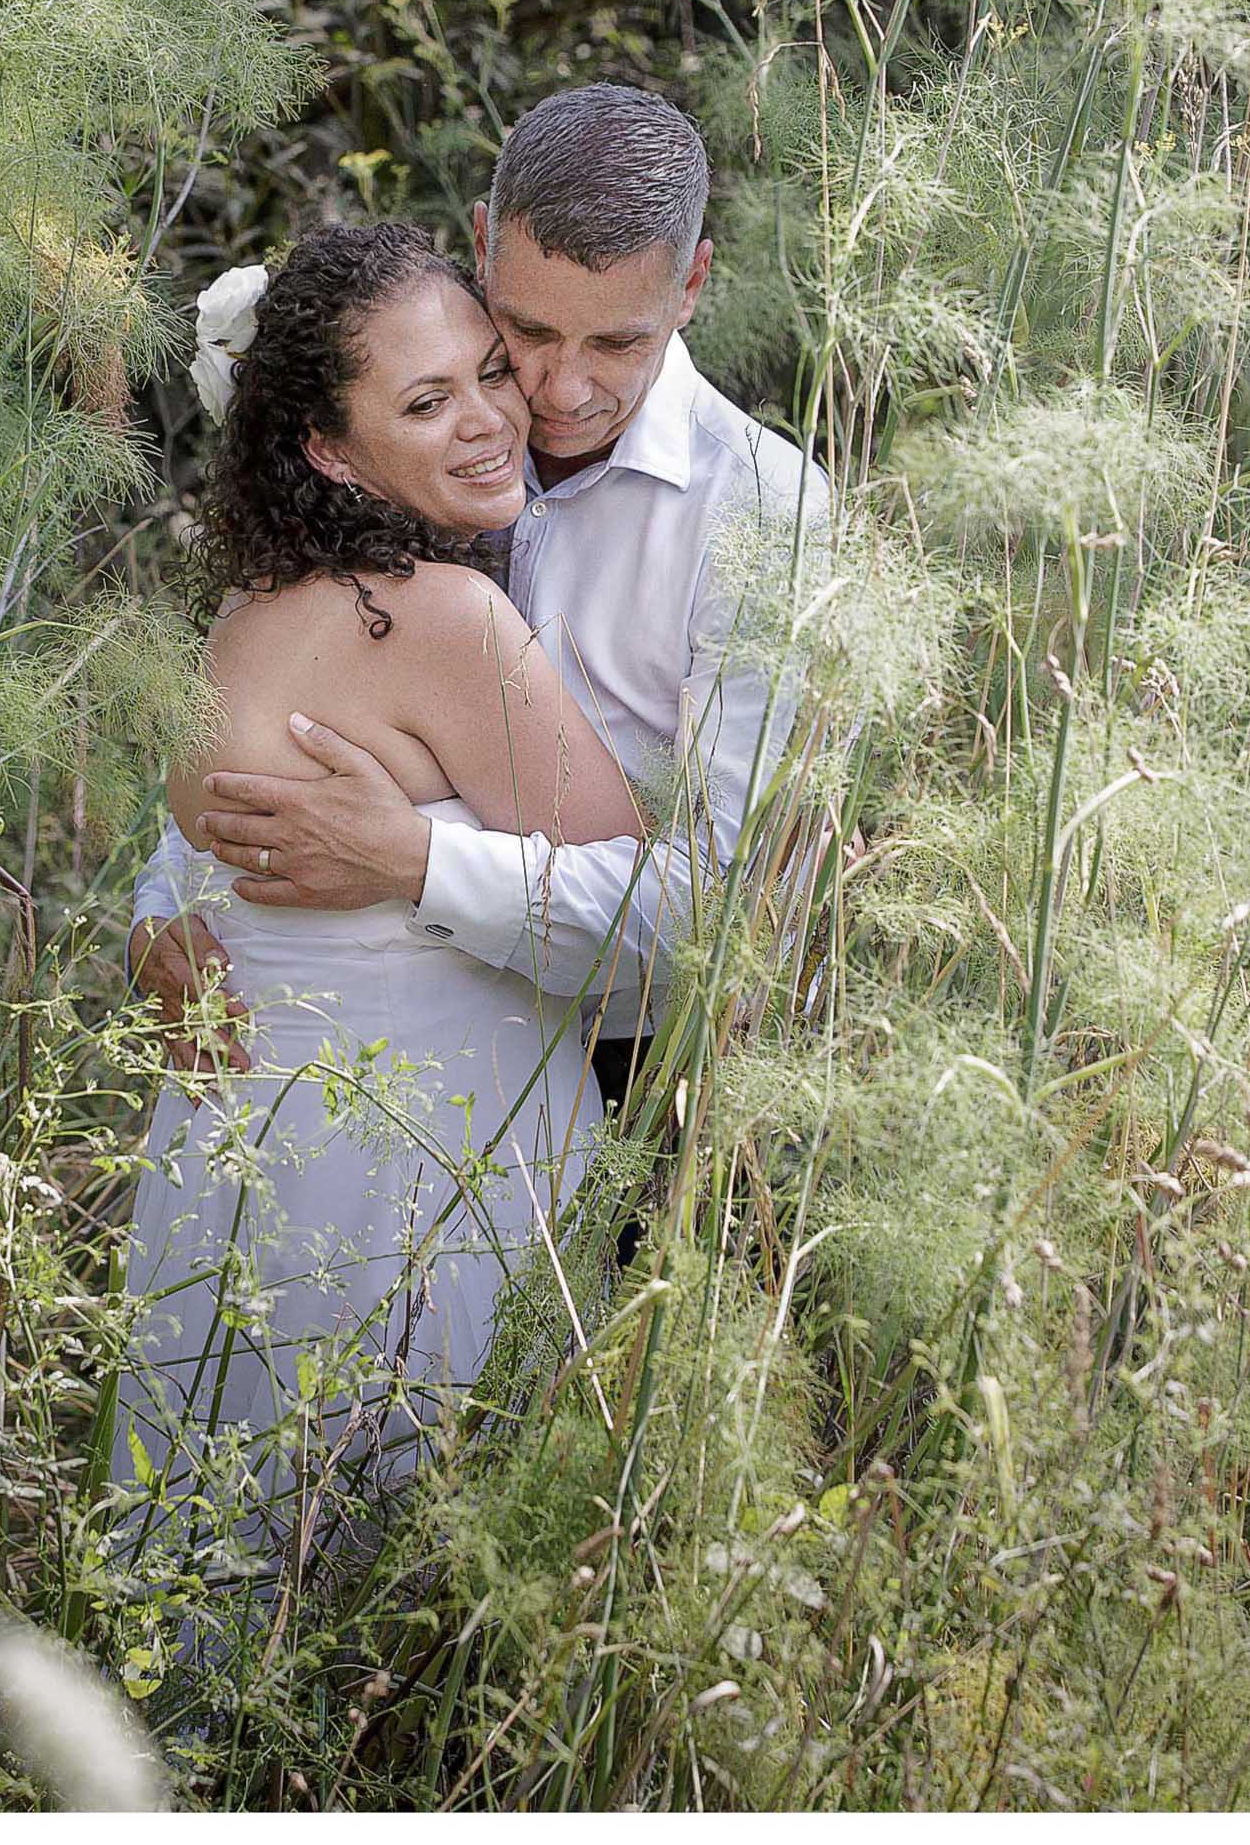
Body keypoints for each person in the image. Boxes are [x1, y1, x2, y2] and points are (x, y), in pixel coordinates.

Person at [130, 84, 830, 1115]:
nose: (556, 389)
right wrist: (169, 904)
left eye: (616, 344)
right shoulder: (414, 431)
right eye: (527, 333)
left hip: (653, 1066)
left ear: (692, 284)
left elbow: (725, 914)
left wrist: (415, 860)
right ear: (483, 245)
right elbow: (292, 700)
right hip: (404, 1053)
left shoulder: (763, 511)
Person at [106, 220, 646, 1551]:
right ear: (329, 449)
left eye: (483, 372)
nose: (487, 421)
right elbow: (644, 925)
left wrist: (158, 919)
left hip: (246, 1183)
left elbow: (204, 844)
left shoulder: (237, 622)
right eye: (424, 399)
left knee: (237, 1573)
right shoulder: (440, 621)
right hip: (433, 1182)